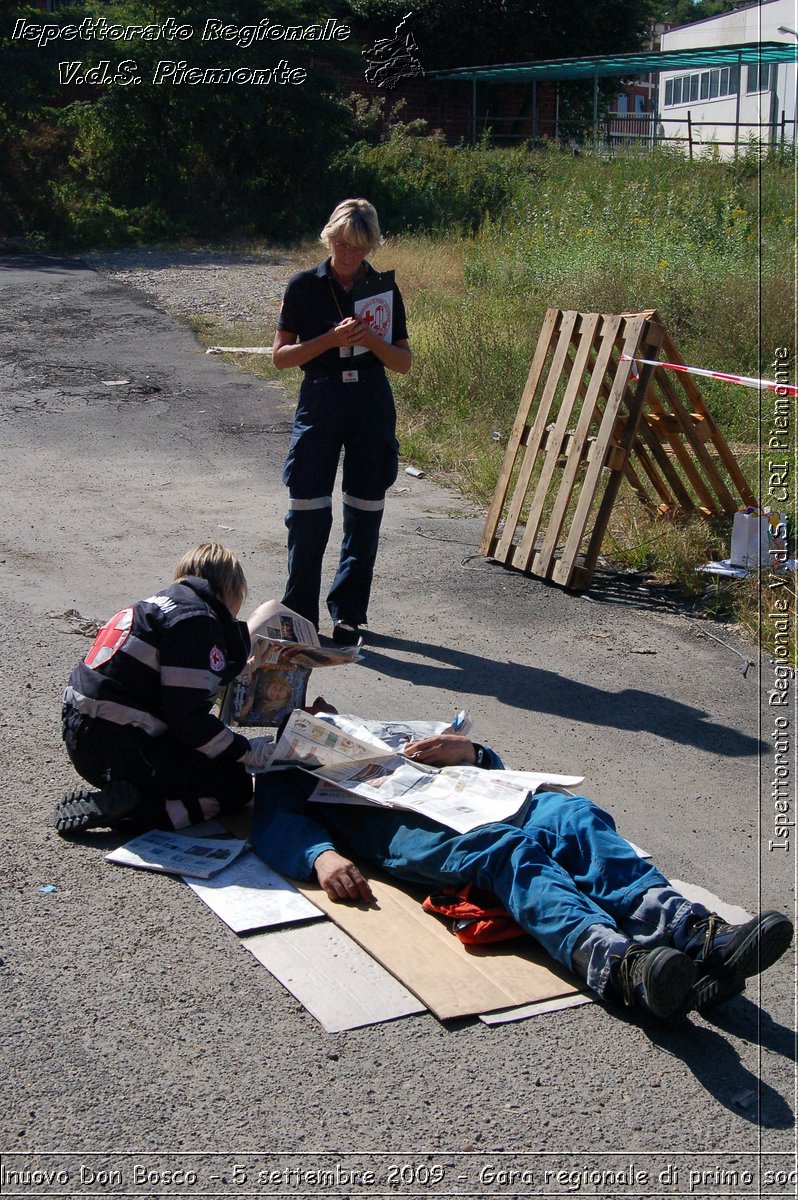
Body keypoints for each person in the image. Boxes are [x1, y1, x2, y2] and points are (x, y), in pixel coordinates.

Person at [251, 730, 793, 1023]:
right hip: (413, 834)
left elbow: (478, 765)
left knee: (572, 816)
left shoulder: (368, 730)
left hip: (466, 800)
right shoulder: (284, 767)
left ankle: (694, 935)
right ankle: (619, 968)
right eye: (304, 701)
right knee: (506, 851)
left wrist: (472, 753)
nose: (318, 705)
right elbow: (275, 822)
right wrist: (320, 855)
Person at [55, 543, 274, 835]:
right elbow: (188, 720)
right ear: (230, 589)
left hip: (86, 735)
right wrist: (245, 750)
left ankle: (131, 794)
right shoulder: (195, 620)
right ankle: (135, 811)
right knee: (233, 786)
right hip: (118, 746)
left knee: (210, 760)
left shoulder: (158, 605)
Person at [272, 198, 412, 645]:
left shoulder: (383, 290)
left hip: (369, 398)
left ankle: (349, 613)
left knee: (365, 507)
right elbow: (280, 358)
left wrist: (371, 337)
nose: (350, 256)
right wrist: (330, 339)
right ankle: (299, 615)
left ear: (371, 246)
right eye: (342, 245)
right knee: (308, 505)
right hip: (321, 396)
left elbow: (404, 362)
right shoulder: (303, 286)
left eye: (359, 248)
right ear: (329, 239)